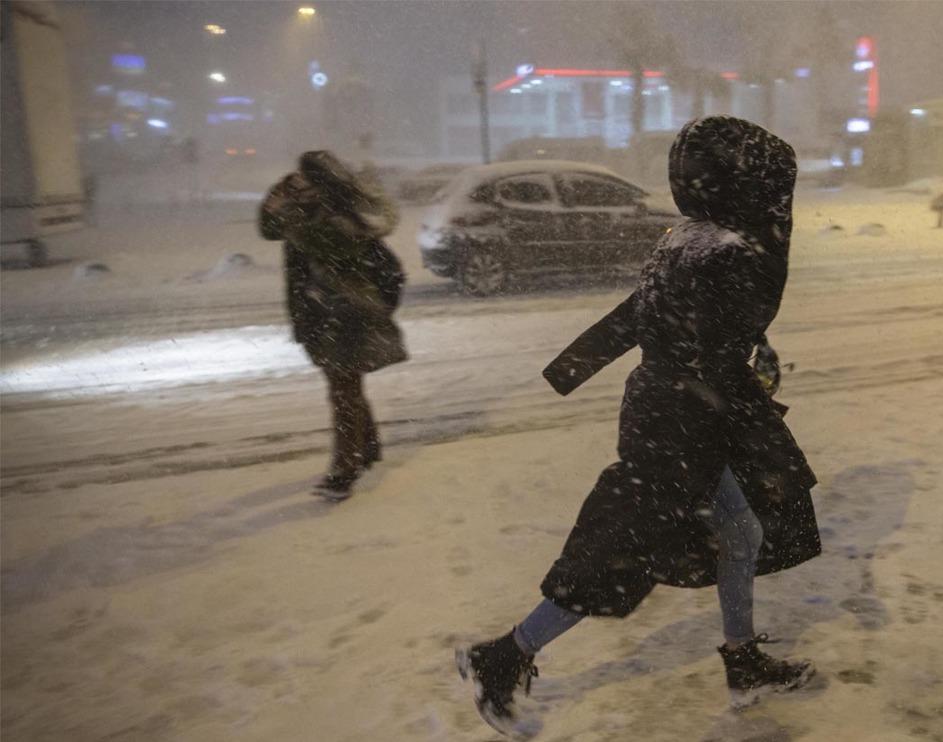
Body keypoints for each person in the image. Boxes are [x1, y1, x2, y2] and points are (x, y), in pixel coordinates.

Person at [456, 117, 822, 735]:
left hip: (671, 407)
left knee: (741, 533)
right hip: (686, 421)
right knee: (622, 548)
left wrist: (573, 365)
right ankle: (507, 654)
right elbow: (695, 337)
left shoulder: (689, 238)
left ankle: (742, 661)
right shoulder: (732, 250)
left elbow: (652, 316)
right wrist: (742, 371)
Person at [259, 151, 407, 501]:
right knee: (345, 385)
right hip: (319, 312)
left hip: (347, 312)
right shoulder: (305, 209)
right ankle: (367, 448)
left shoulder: (338, 216)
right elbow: (268, 231)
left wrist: (290, 211)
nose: (299, 182)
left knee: (343, 390)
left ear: (322, 180)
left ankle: (345, 470)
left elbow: (325, 245)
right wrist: (273, 203)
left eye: (306, 177)